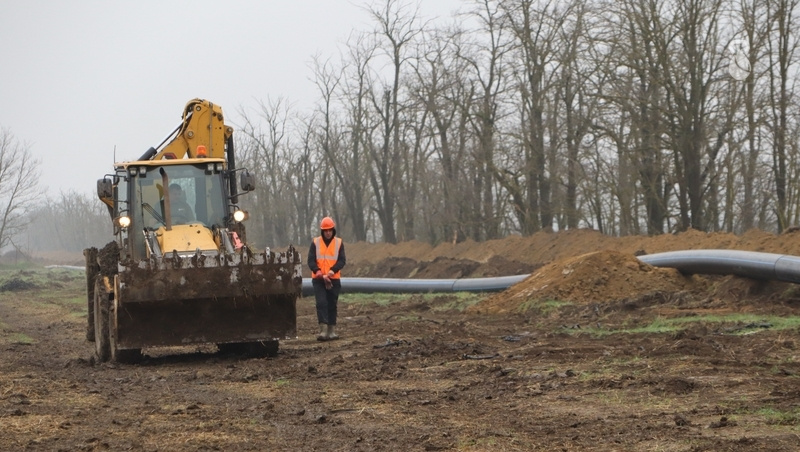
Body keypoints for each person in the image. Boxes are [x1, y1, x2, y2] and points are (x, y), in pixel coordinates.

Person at [308, 216, 346, 341]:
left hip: (333, 279)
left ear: (333, 230)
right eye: (326, 230)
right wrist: (318, 272)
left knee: (332, 304)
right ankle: (323, 331)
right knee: (321, 303)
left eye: (330, 230)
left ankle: (332, 331)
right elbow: (311, 261)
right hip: (319, 280)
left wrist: (331, 272)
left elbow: (342, 261)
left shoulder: (339, 243)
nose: (328, 232)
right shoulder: (315, 242)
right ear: (322, 231)